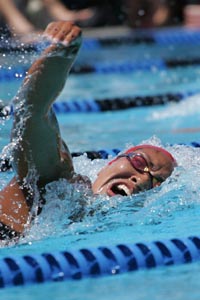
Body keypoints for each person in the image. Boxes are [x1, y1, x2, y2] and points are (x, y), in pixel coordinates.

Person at [0, 21, 177, 241]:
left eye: (156, 182)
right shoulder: (59, 181)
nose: (140, 180)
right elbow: (33, 111)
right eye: (141, 163)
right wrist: (62, 54)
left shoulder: (94, 218)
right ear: (112, 162)